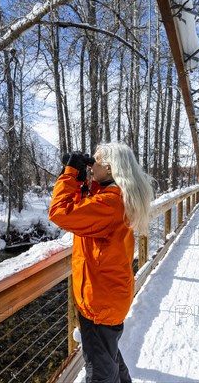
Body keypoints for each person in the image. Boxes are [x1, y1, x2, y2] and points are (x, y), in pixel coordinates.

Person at [49, 142, 154, 383]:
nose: (91, 164)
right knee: (109, 357)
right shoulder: (112, 196)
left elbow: (59, 212)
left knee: (100, 373)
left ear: (109, 168)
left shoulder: (109, 204)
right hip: (108, 296)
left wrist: (70, 172)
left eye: (95, 160)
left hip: (100, 302)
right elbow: (80, 208)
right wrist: (82, 180)